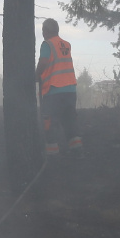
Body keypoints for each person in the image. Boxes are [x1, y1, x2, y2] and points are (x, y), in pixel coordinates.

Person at [37, 18, 83, 157]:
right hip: (70, 90)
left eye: (43, 31)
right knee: (69, 121)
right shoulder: (66, 44)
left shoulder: (47, 44)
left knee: (49, 122)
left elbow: (44, 62)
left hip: (54, 90)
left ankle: (52, 156)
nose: (43, 33)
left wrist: (36, 75)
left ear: (46, 31)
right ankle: (77, 152)